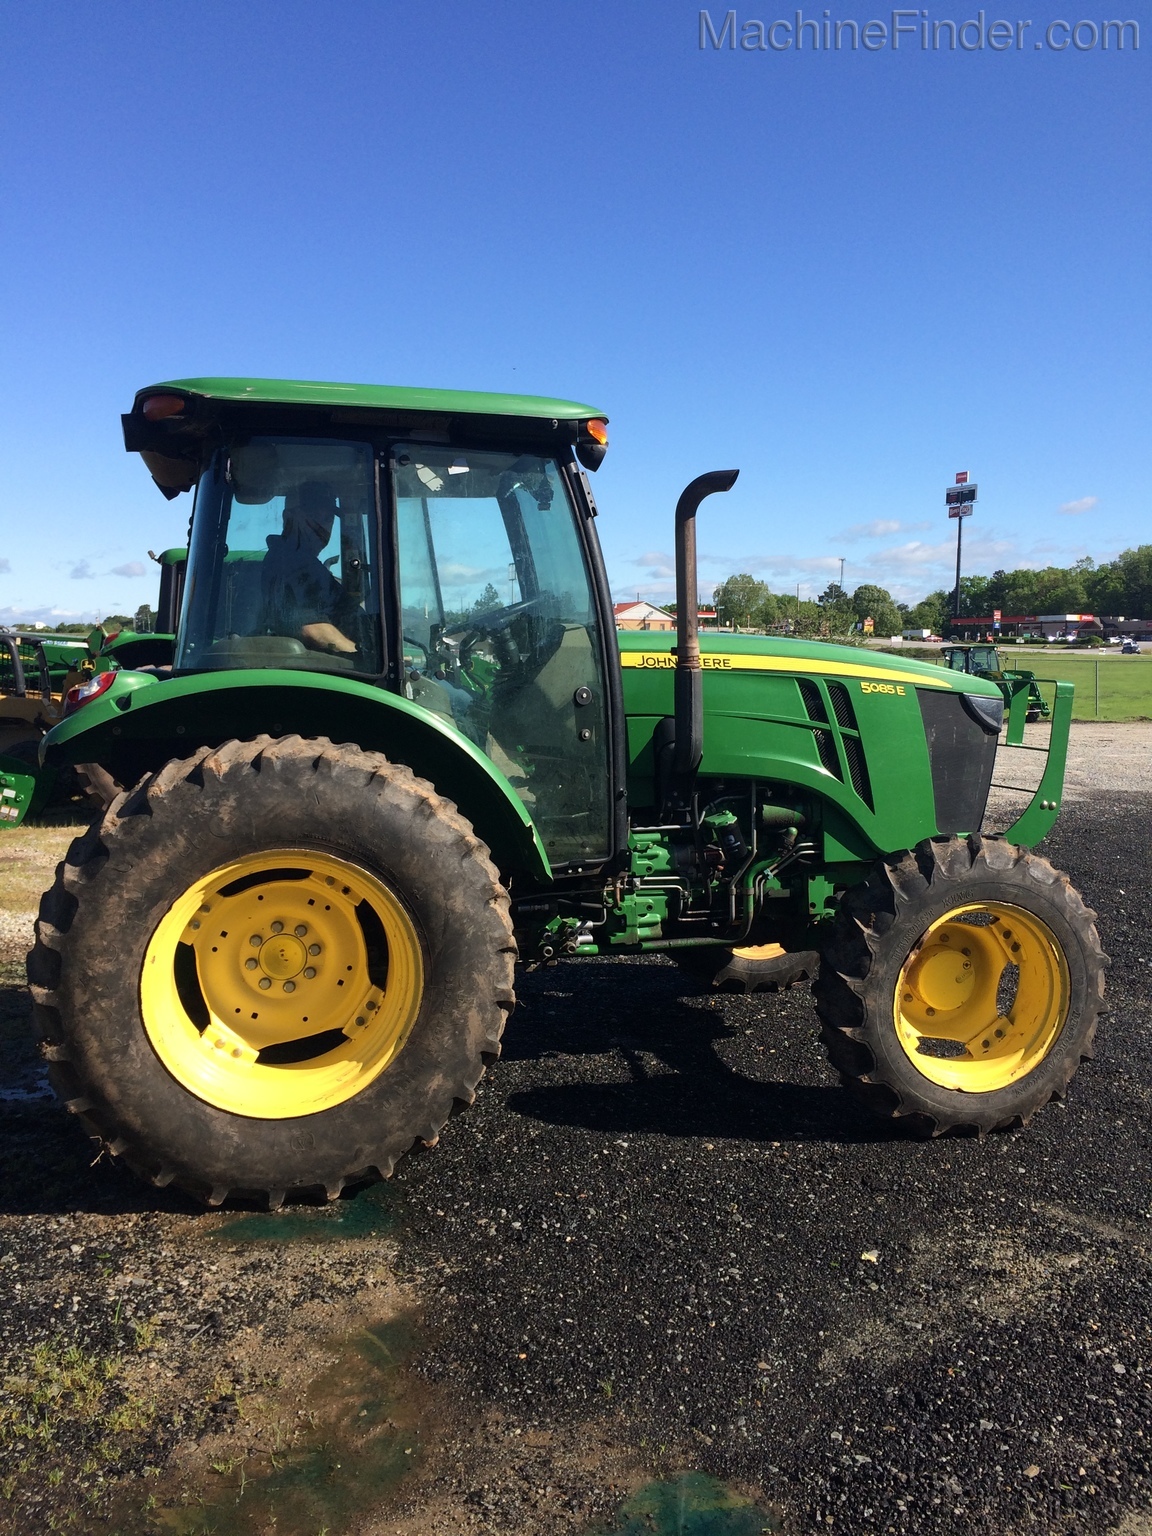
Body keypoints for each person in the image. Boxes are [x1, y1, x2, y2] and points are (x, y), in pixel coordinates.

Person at [261, 482, 357, 654]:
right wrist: (361, 654)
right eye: (315, 516)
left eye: (329, 518)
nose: (324, 527)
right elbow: (313, 628)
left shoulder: (309, 565)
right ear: (288, 517)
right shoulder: (291, 562)